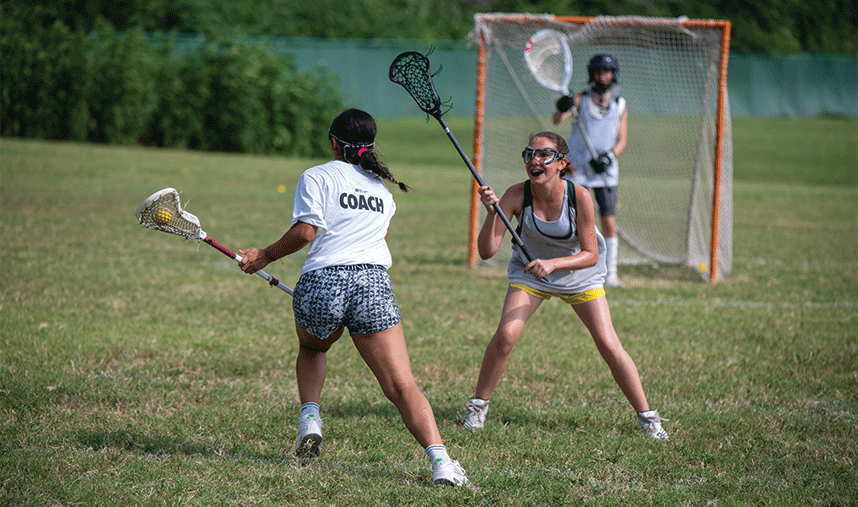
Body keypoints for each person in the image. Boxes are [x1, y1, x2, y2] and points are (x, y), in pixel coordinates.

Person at [238, 108, 468, 486]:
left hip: (322, 281)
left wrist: (265, 255)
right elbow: (377, 243)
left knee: (313, 349)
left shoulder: (316, 176)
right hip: (372, 283)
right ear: (371, 146)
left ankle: (310, 418)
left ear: (333, 142)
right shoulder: (382, 190)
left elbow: (307, 232)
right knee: (402, 385)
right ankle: (441, 461)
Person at [461, 131, 668, 440]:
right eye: (530, 153)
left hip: (577, 273)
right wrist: (493, 213)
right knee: (506, 335)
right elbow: (486, 250)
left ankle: (648, 417)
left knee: (608, 344)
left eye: (544, 155)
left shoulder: (579, 196)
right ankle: (477, 406)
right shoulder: (515, 194)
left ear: (561, 164)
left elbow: (590, 254)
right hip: (531, 272)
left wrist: (553, 264)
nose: (535, 160)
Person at [552, 53, 627, 287]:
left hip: (604, 172)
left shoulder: (619, 104)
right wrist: (562, 106)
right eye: (598, 72)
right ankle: (572, 267)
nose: (602, 76)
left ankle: (610, 273)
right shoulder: (580, 99)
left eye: (606, 72)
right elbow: (557, 119)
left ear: (613, 75)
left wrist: (608, 157)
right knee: (574, 219)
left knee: (608, 220)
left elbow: (622, 140)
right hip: (578, 170)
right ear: (591, 74)